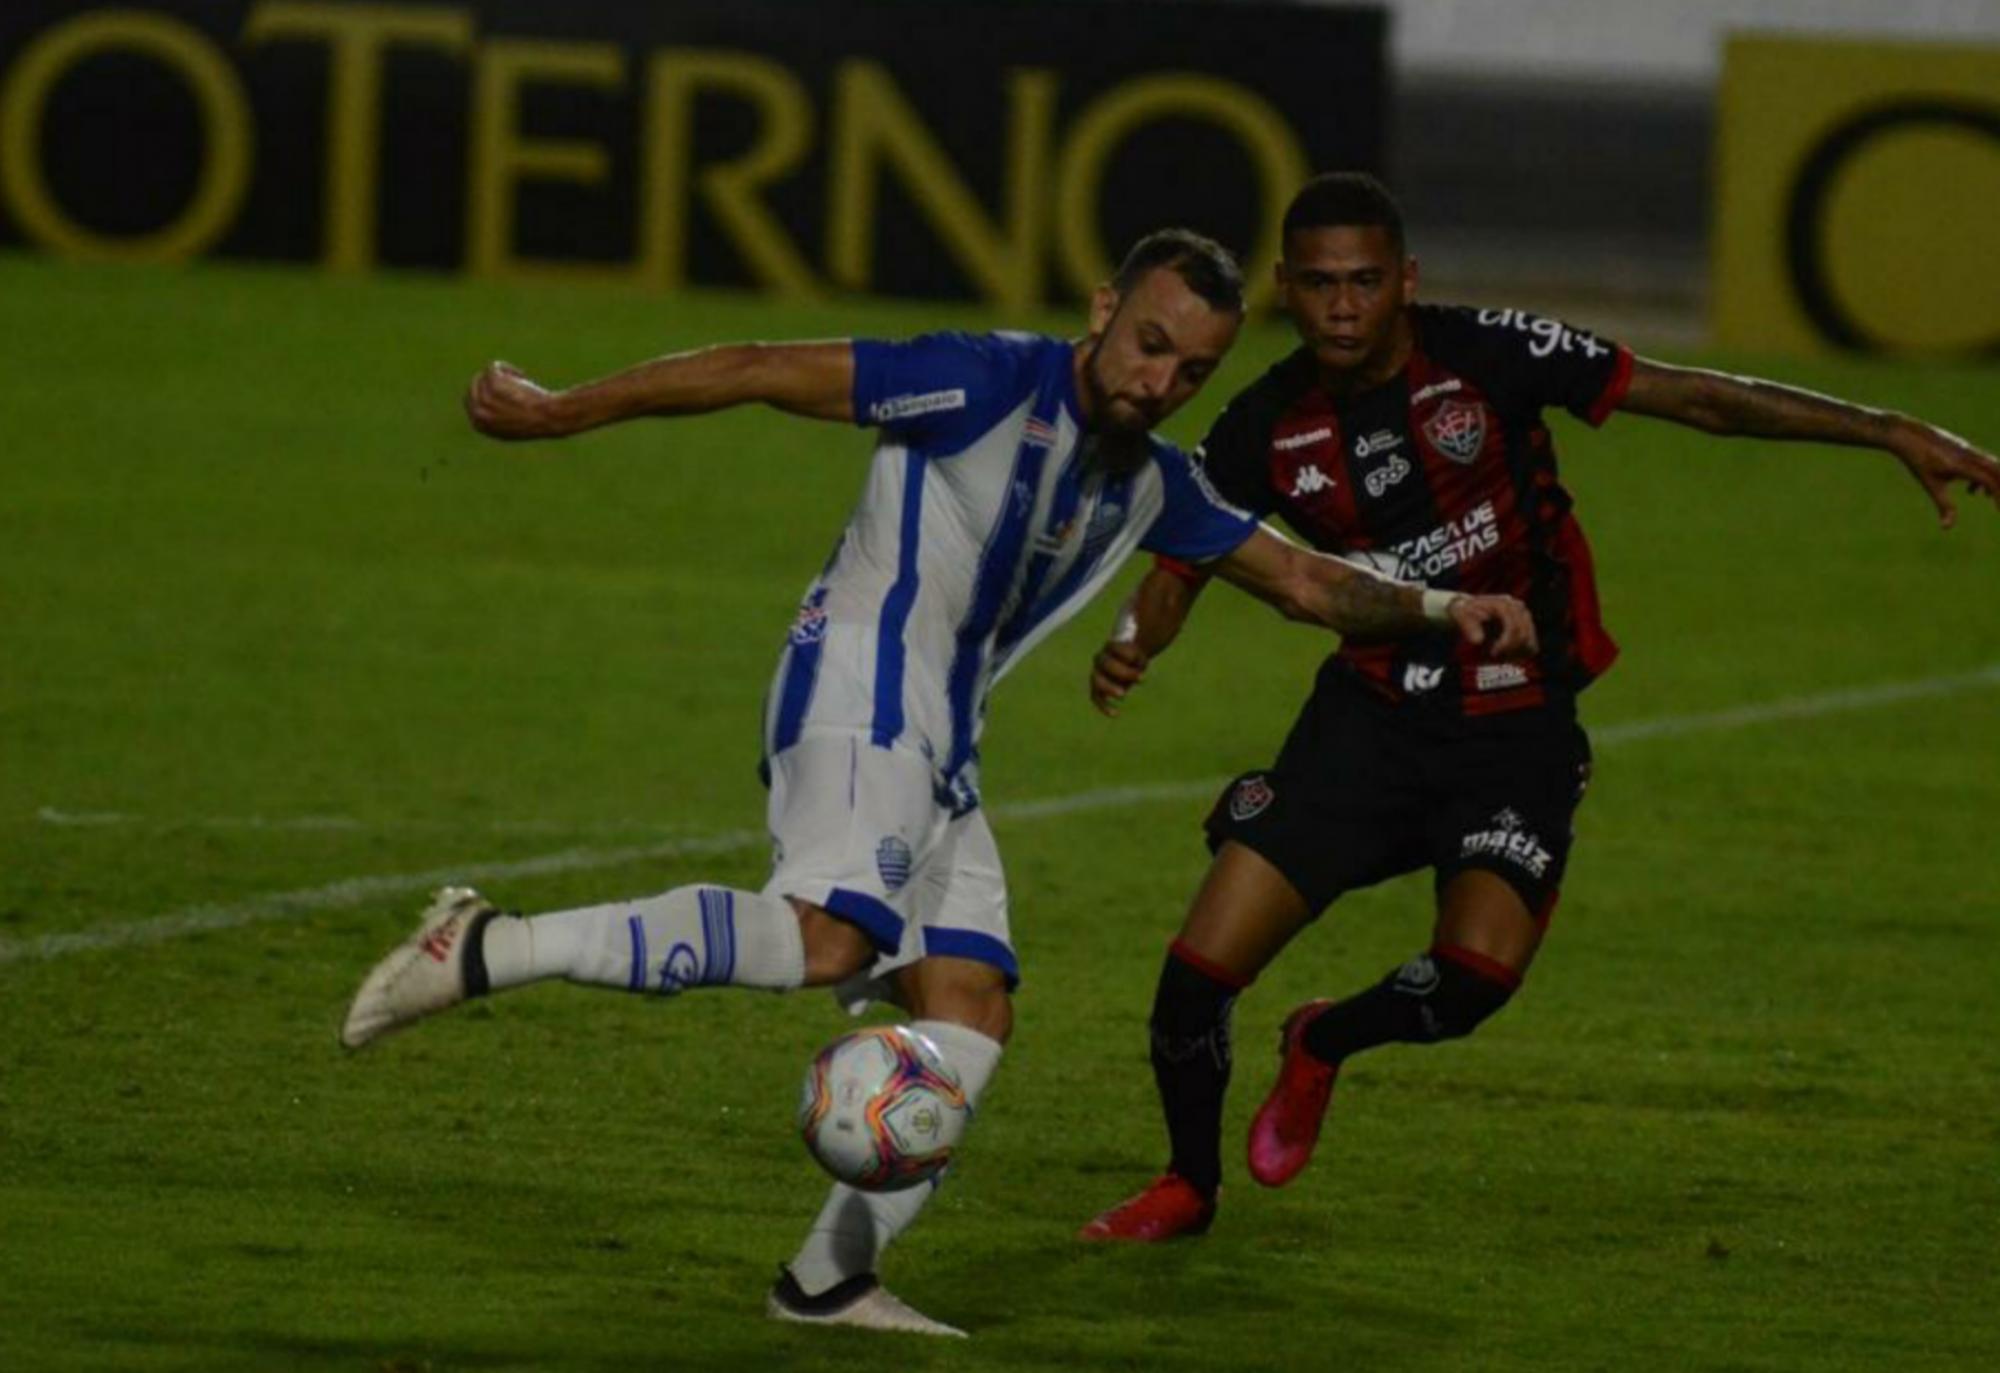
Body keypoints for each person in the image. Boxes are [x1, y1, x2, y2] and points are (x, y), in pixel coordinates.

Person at [337, 227, 1540, 1335]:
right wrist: (561, 412)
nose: (1157, 381)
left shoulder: (1155, 482)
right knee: (826, 937)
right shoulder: (980, 379)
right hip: (857, 683)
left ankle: (826, 1281)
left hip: (943, 738)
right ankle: (488, 943)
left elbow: (1311, 583)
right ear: (1104, 307)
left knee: (969, 1008)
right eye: (1148, 344)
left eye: (1190, 370)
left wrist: (1444, 606)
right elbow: (760, 363)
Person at [1079, 174, 2000, 1243]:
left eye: (1365, 281)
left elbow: (1687, 394)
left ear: (1404, 281)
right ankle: (1187, 1185)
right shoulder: (1264, 423)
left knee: (1470, 977)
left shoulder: (1489, 354)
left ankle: (1325, 1039)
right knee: (1195, 975)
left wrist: (1884, 428)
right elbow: (1190, 549)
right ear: (1286, 288)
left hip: (1513, 727)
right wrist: (1135, 638)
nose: (1341, 305)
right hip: (1366, 725)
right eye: (1320, 283)